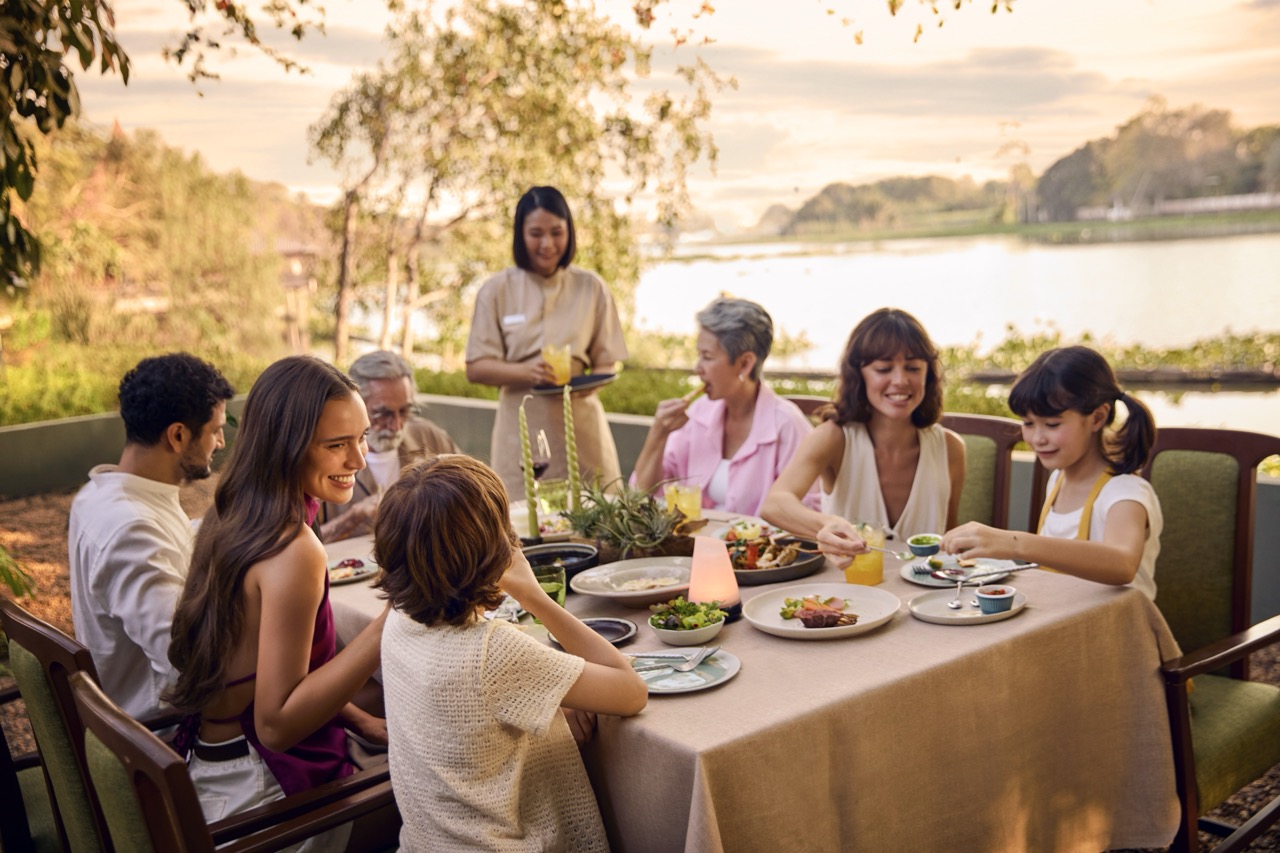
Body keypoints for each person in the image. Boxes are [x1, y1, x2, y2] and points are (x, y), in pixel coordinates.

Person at [166, 355, 388, 844]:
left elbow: (272, 674)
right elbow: (277, 725)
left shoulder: (233, 512)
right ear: (286, 447)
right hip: (267, 802)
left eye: (362, 437)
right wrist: (390, 621)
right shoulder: (295, 550)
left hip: (211, 770)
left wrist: (362, 721)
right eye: (336, 445)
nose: (359, 460)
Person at [374, 454, 646, 852]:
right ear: (494, 547)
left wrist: (550, 700)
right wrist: (535, 597)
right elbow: (630, 691)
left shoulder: (399, 622)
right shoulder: (492, 651)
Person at [68, 353, 234, 720]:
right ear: (178, 435)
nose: (220, 443)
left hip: (140, 720)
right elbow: (187, 667)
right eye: (215, 430)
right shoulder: (131, 528)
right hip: (163, 741)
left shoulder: (99, 495)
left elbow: (170, 547)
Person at [941, 346, 1162, 599]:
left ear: (1098, 417)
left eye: (1052, 424)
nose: (1037, 438)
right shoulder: (1058, 478)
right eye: (1028, 423)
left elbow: (1122, 564)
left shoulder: (1124, 493)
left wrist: (1014, 543)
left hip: (1118, 632)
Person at [761, 308, 966, 565]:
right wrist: (826, 525)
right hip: (851, 597)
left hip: (925, 599)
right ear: (859, 375)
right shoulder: (833, 438)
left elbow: (950, 542)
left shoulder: (951, 448)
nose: (900, 380)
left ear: (929, 374)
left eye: (913, 367)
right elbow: (775, 503)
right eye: (883, 369)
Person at [465, 186, 629, 498]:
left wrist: (588, 384)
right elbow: (476, 368)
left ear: (570, 231)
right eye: (536, 233)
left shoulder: (591, 287)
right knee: (521, 526)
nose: (547, 244)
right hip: (521, 432)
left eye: (557, 232)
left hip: (581, 426)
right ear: (520, 235)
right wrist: (528, 373)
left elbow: (608, 360)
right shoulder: (496, 290)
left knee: (594, 523)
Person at [631, 297, 820, 516]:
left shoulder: (787, 426)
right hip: (693, 547)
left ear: (745, 364)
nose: (697, 368)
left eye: (707, 357)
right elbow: (641, 495)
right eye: (698, 355)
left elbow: (809, 510)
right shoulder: (697, 414)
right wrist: (658, 433)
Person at [317, 350, 460, 542]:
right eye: (382, 413)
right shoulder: (325, 454)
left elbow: (471, 495)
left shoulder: (429, 437)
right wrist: (352, 518)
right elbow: (299, 546)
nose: (396, 425)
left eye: (404, 411)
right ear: (355, 405)